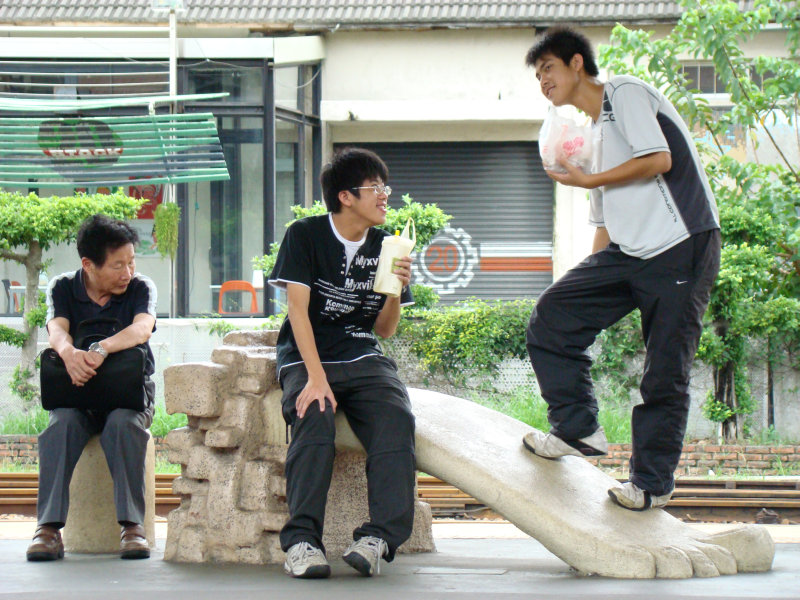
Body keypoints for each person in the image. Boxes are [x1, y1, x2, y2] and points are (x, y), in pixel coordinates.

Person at [521, 28, 721, 511]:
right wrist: (585, 287)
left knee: (663, 371)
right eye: (537, 74)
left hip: (681, 244)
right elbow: (604, 223)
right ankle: (577, 428)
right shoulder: (587, 141)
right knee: (552, 315)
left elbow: (659, 159)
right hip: (629, 253)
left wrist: (589, 178)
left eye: (548, 67)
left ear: (575, 64)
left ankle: (651, 483)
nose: (542, 80)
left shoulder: (624, 92)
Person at [268, 147, 416, 579]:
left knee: (396, 417)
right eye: (376, 187)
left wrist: (395, 291)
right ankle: (301, 543)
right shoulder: (306, 235)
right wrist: (315, 379)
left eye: (384, 187)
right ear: (346, 196)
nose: (385, 195)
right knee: (313, 416)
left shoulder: (389, 246)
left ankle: (378, 538)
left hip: (363, 355)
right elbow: (298, 312)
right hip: (308, 355)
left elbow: (385, 331)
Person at [26, 214, 157, 561]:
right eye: (118, 266)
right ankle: (49, 531)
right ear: (88, 264)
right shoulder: (63, 286)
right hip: (77, 395)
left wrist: (101, 349)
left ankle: (133, 528)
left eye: (131, 262)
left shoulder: (141, 288)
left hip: (130, 395)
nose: (127, 273)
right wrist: (68, 354)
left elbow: (142, 329)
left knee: (123, 426)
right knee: (60, 426)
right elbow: (57, 329)